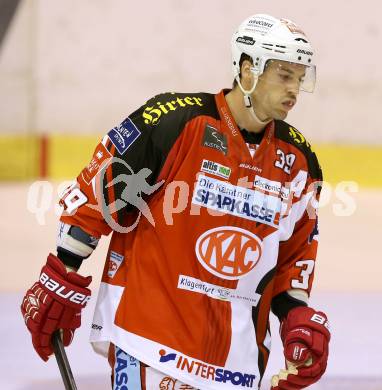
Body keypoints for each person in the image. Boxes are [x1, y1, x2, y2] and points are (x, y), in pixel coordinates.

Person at [21, 13, 330, 390]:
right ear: (248, 69)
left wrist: (296, 316)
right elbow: (100, 193)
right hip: (147, 340)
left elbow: (295, 255)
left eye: (300, 78)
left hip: (237, 364)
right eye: (284, 75)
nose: (294, 90)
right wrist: (62, 270)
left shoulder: (299, 161)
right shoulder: (174, 121)